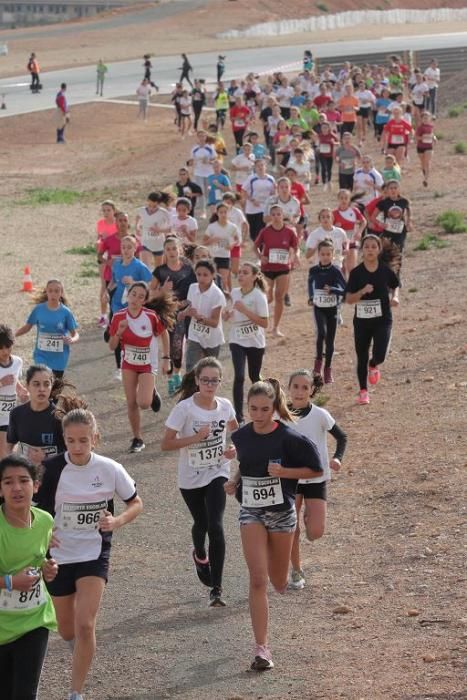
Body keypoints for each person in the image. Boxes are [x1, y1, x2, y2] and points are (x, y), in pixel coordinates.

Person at [36, 408, 143, 700]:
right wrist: (44, 534)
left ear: (95, 438)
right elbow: (33, 510)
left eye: (83, 440)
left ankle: (75, 693)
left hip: (93, 553)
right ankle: (79, 646)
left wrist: (116, 521)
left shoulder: (109, 468)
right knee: (66, 628)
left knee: (85, 623)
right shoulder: (51, 469)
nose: (77, 447)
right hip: (58, 556)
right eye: (71, 441)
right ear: (64, 440)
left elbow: (136, 502)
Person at [225, 378, 322, 670]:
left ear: (274, 408)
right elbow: (246, 464)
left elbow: (315, 469)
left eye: (264, 409)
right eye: (253, 409)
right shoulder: (241, 436)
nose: (258, 415)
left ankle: (280, 569)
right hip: (251, 511)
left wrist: (284, 471)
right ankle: (262, 648)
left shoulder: (289, 438)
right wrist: (234, 480)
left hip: (282, 513)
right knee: (257, 579)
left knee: (278, 582)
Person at [161, 358, 238, 607]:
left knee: (215, 525)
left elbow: (236, 430)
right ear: (196, 381)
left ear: (219, 381)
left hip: (217, 470)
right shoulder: (185, 409)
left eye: (214, 380)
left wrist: (233, 448)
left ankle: (216, 588)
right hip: (191, 476)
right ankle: (199, 554)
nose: (209, 384)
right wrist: (195, 438)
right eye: (205, 379)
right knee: (201, 523)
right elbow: (166, 444)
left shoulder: (225, 406)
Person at [0, 454, 58, 700]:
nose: (16, 488)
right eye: (8, 482)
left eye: (24, 480)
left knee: (25, 694)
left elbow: (38, 559)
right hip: (2, 624)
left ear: (36, 486)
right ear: (0, 489)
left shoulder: (45, 521)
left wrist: (47, 568)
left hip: (35, 618)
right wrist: (11, 582)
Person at [286, 370, 347, 590]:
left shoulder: (320, 415)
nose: (300, 391)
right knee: (291, 527)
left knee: (315, 532)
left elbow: (342, 437)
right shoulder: (280, 414)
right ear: (289, 389)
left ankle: (309, 518)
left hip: (316, 477)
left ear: (312, 390)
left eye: (305, 387)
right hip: (290, 479)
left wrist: (337, 458)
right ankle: (296, 569)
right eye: (296, 386)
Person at [109, 282, 171, 452]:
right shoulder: (118, 317)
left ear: (144, 301)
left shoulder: (150, 316)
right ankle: (137, 438)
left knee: (143, 403)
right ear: (127, 295)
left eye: (140, 296)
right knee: (131, 403)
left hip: (147, 363)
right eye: (133, 294)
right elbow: (112, 346)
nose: (135, 299)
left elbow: (164, 333)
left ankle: (150, 391)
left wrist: (166, 358)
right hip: (128, 362)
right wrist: (119, 333)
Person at [345, 234, 400, 405]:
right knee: (361, 355)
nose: (370, 250)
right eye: (366, 246)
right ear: (362, 250)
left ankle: (374, 364)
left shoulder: (385, 270)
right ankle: (363, 391)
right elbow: (349, 299)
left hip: (383, 319)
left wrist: (395, 297)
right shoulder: (356, 273)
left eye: (373, 247)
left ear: (378, 250)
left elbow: (395, 285)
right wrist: (361, 291)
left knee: (380, 355)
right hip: (362, 321)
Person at [223, 262, 269, 423]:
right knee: (240, 376)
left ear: (254, 276)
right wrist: (227, 315)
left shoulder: (259, 296)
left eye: (245, 272)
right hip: (237, 340)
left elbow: (264, 323)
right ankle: (239, 417)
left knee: (254, 376)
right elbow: (227, 314)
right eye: (240, 272)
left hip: (256, 342)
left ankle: (266, 405)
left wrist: (245, 311)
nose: (240, 275)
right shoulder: (235, 292)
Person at [151, 237, 196, 395]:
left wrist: (187, 302)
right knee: (170, 344)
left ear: (180, 250)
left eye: (174, 248)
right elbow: (149, 294)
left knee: (179, 343)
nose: (171, 252)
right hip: (167, 313)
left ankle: (176, 372)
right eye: (168, 249)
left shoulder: (189, 269)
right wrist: (163, 290)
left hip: (185, 312)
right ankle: (172, 377)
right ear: (164, 251)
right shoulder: (160, 271)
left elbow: (197, 288)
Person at [16, 279, 79, 379]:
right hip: (41, 355)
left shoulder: (66, 312)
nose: (53, 294)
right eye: (50, 291)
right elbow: (27, 327)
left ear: (61, 293)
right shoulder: (38, 310)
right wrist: (12, 335)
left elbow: (75, 334)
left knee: (54, 390)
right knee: (42, 382)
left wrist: (72, 339)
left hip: (59, 358)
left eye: (56, 291)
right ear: (46, 292)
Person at [6, 364, 66, 465]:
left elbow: (70, 451)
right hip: (25, 473)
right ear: (27, 386)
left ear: (51, 387)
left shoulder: (60, 417)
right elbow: (10, 445)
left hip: (52, 474)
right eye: (36, 384)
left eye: (46, 384)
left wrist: (47, 457)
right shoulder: (16, 414)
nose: (42, 389)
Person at [254, 205, 299, 337]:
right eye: (273, 214)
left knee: (279, 297)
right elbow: (255, 247)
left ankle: (275, 328)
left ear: (282, 215)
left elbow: (295, 247)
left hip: (283, 269)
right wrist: (260, 257)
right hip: (267, 268)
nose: (276, 217)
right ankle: (259, 323)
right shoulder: (265, 231)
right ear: (270, 216)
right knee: (266, 298)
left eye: (278, 214)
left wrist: (292, 258)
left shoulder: (290, 232)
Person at [307, 240, 346, 383]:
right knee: (321, 333)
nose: (325, 257)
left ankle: (328, 370)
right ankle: (317, 365)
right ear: (318, 255)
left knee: (330, 340)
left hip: (332, 309)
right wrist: (311, 297)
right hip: (319, 308)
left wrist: (334, 290)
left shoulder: (336, 271)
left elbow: (346, 289)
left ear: (333, 255)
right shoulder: (314, 270)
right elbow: (310, 284)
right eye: (322, 254)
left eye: (328, 254)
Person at [180, 260, 227, 372]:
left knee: (209, 370)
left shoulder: (217, 295)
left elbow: (215, 323)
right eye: (198, 274)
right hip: (194, 335)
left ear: (213, 275)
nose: (201, 278)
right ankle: (191, 389)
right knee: (191, 368)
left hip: (212, 338)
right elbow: (191, 307)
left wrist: (197, 316)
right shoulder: (192, 288)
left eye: (205, 275)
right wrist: (184, 313)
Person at [370, 179, 412, 279]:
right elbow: (373, 217)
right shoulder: (384, 202)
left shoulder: (403, 201)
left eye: (395, 188)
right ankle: (385, 275)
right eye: (391, 188)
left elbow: (409, 210)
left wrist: (409, 221)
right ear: (387, 190)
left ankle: (397, 277)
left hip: (400, 232)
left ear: (399, 189)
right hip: (387, 232)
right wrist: (380, 224)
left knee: (398, 253)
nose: (393, 190)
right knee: (386, 254)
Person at [0, 325, 27, 459]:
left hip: (10, 415)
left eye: (8, 346)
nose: (5, 351)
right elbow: (5, 381)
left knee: (9, 455)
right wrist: (1, 383)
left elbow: (14, 380)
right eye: (0, 348)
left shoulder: (17, 362)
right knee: (5, 456)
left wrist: (21, 390)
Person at [203, 202, 240, 291]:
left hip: (225, 256)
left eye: (225, 212)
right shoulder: (212, 227)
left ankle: (226, 299)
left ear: (228, 213)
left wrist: (232, 245)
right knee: (214, 280)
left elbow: (237, 240)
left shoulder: (232, 227)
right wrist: (212, 240)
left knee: (224, 280)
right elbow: (204, 242)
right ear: (217, 213)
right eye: (221, 212)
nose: (223, 214)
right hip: (213, 256)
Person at [332, 189, 366, 277]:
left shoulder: (354, 211)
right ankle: (343, 287)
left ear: (349, 199)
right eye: (341, 198)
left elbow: (364, 221)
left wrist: (359, 232)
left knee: (352, 267)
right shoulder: (334, 213)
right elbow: (328, 228)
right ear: (338, 199)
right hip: (339, 242)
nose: (343, 200)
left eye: (346, 198)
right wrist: (335, 226)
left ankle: (352, 286)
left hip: (352, 240)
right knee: (341, 267)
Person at [241, 159, 276, 242]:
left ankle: (262, 248)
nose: (260, 167)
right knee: (253, 233)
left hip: (264, 207)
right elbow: (243, 191)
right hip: (252, 208)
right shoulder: (251, 178)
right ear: (255, 168)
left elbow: (273, 192)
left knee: (261, 229)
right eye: (258, 166)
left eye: (262, 165)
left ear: (265, 167)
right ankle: (257, 246)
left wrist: (272, 203)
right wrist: (252, 200)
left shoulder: (271, 179)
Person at [135, 191, 172, 269]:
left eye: (154, 206)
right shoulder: (141, 210)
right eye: (149, 205)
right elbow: (137, 217)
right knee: (145, 267)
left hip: (159, 244)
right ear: (147, 201)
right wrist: (137, 227)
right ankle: (147, 280)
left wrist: (159, 230)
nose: (151, 208)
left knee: (158, 270)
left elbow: (170, 229)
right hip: (145, 243)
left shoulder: (164, 213)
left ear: (159, 204)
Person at [191, 130, 216, 218]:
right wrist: (191, 163)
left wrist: (208, 161)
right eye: (200, 136)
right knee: (200, 191)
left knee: (207, 191)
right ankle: (203, 211)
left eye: (203, 136)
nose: (202, 138)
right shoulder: (194, 149)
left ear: (206, 137)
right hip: (198, 172)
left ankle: (212, 209)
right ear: (197, 137)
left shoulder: (210, 148)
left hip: (209, 172)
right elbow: (191, 160)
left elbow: (215, 160)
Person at [316, 121, 339, 192]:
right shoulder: (319, 135)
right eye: (323, 128)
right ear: (321, 128)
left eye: (326, 127)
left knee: (329, 169)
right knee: (324, 167)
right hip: (322, 154)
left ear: (329, 128)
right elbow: (316, 144)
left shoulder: (332, 135)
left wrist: (334, 142)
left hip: (330, 155)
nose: (324, 129)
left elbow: (339, 143)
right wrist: (317, 147)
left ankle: (329, 181)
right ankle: (324, 182)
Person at [415, 111, 436, 188]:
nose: (425, 119)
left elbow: (432, 134)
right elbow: (416, 137)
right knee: (423, 162)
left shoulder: (431, 126)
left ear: (429, 119)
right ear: (422, 119)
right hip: (420, 147)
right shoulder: (420, 128)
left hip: (429, 147)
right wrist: (423, 137)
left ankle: (426, 180)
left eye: (427, 118)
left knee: (427, 162)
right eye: (424, 118)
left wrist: (434, 138)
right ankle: (424, 172)